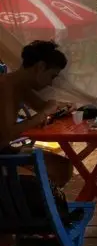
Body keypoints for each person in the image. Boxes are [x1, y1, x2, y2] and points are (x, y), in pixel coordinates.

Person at [0, 41, 73, 187]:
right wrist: (44, 113)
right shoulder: (5, 86)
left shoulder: (18, 86)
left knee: (62, 168)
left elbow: (42, 106)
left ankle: (36, 205)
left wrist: (61, 106)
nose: (51, 83)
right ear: (40, 67)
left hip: (6, 150)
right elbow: (7, 134)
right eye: (52, 76)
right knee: (57, 171)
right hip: (3, 154)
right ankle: (24, 206)